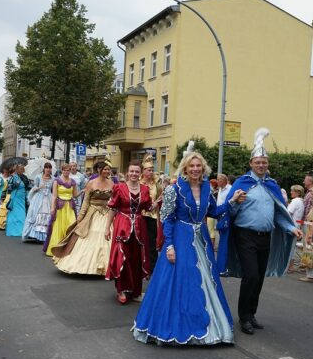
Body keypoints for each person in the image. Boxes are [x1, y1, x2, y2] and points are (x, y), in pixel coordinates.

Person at [133, 143, 245, 346]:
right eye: (191, 166)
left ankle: (209, 326)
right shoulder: (173, 189)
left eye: (198, 166)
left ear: (203, 168)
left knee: (205, 282)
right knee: (180, 282)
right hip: (180, 238)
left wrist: (232, 201)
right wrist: (169, 245)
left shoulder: (207, 189)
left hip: (201, 241)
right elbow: (167, 219)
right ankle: (177, 324)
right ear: (185, 168)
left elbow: (213, 212)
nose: (195, 169)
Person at [219, 128, 302, 335]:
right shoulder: (242, 183)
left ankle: (251, 313)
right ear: (251, 164)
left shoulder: (272, 185)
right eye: (258, 162)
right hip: (245, 235)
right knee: (251, 275)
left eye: (264, 162)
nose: (261, 165)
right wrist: (235, 202)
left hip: (265, 237)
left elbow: (279, 214)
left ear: (268, 164)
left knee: (259, 277)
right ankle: (244, 317)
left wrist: (291, 228)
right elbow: (231, 210)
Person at [52, 162, 114, 275]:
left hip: (107, 213)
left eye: (108, 169)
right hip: (92, 213)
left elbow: (114, 201)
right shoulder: (91, 183)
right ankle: (84, 266)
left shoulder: (112, 183)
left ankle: (106, 266)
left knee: (107, 235)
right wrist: (80, 217)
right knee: (88, 234)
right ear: (98, 170)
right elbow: (86, 202)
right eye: (105, 169)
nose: (107, 171)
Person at [104, 160, 152, 304]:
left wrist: (161, 201)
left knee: (137, 258)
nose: (134, 174)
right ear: (127, 173)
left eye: (137, 171)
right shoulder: (119, 188)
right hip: (122, 226)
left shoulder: (145, 189)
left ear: (141, 173)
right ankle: (121, 289)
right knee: (122, 257)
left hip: (139, 227)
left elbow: (148, 208)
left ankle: (136, 291)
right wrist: (107, 228)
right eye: (132, 171)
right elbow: (113, 208)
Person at [43, 163, 78, 256]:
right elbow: (54, 196)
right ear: (62, 170)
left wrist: (83, 191)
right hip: (60, 207)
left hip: (70, 207)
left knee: (71, 225)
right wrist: (52, 208)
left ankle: (68, 248)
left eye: (68, 170)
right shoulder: (57, 181)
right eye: (64, 170)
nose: (66, 172)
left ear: (70, 171)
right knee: (59, 227)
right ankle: (57, 248)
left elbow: (75, 195)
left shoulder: (73, 182)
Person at [140, 154, 162, 275]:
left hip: (152, 216)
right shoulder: (139, 183)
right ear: (143, 171)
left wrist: (156, 203)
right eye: (148, 170)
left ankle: (153, 267)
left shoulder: (155, 184)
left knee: (151, 242)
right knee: (140, 241)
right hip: (140, 215)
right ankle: (140, 266)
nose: (151, 172)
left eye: (152, 170)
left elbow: (160, 196)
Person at [22, 162, 53, 242]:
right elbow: (33, 188)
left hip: (49, 199)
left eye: (49, 168)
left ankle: (45, 236)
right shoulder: (38, 177)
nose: (48, 169)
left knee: (47, 215)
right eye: (46, 168)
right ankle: (35, 235)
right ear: (44, 169)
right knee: (36, 215)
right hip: (39, 198)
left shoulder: (53, 179)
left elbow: (53, 190)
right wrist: (39, 187)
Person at [5, 164, 30, 237]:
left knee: (22, 213)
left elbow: (28, 187)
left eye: (23, 169)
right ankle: (13, 231)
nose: (22, 170)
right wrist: (15, 184)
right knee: (14, 214)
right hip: (15, 198)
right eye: (21, 169)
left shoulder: (25, 177)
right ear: (17, 170)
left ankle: (22, 231)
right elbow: (9, 188)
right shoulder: (13, 177)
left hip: (23, 198)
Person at [286, 185, 305, 273]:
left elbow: (288, 213)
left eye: (292, 191)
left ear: (297, 192)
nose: (291, 192)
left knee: (289, 247)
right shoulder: (301, 201)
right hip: (296, 226)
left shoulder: (295, 201)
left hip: (291, 227)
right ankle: (290, 267)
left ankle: (288, 267)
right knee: (292, 247)